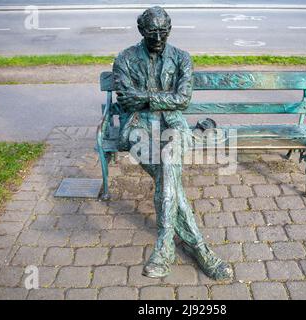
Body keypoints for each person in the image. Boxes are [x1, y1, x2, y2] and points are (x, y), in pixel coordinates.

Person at [112, 6, 233, 280]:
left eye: (163, 31)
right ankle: (200, 249)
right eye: (152, 31)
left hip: (174, 125)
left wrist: (146, 98)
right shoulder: (125, 59)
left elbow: (182, 99)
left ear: (170, 29)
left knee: (168, 165)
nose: (157, 37)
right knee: (170, 173)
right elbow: (125, 98)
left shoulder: (181, 58)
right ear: (141, 30)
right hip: (137, 128)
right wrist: (152, 98)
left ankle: (166, 245)